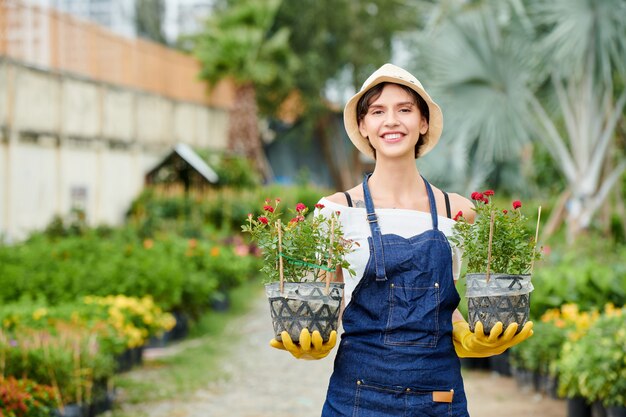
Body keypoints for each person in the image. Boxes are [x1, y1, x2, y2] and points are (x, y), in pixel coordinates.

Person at [270, 63, 534, 416]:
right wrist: (313, 335)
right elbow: (325, 300)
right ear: (363, 126)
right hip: (357, 398)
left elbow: (442, 300)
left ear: (423, 123)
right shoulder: (336, 211)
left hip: (439, 396)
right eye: (378, 111)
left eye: (405, 109)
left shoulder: (457, 211)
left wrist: (473, 335)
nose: (391, 121)